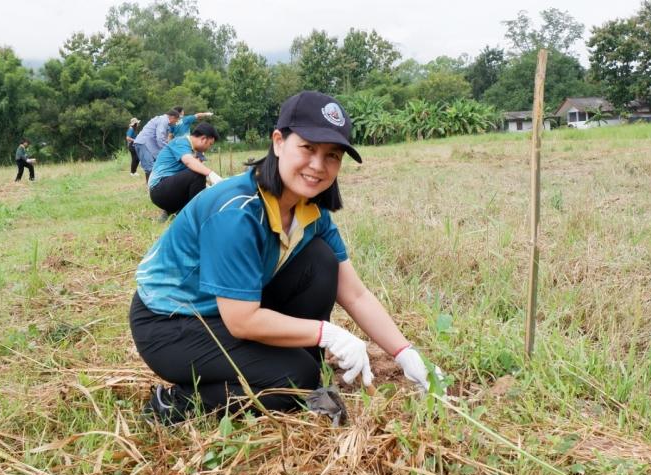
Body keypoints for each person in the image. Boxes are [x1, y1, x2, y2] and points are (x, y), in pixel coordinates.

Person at [130, 91, 442, 423]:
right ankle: (178, 403)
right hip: (171, 324)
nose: (318, 166)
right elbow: (242, 320)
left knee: (320, 261)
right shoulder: (237, 211)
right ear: (279, 142)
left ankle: (298, 367)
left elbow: (355, 293)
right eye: (307, 148)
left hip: (224, 314)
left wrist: (405, 354)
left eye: (332, 155)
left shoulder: (311, 213)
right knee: (294, 380)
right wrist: (328, 334)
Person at [147, 122, 221, 217]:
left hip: (170, 191)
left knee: (199, 178)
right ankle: (194, 215)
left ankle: (179, 213)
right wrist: (211, 174)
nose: (209, 148)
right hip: (158, 190)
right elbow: (188, 161)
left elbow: (196, 184)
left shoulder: (194, 151)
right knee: (197, 173)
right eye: (210, 144)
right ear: (203, 139)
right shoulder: (181, 142)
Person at [132, 110, 182, 183]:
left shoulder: (163, 120)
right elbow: (160, 138)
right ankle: (150, 187)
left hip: (147, 144)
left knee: (155, 164)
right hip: (144, 143)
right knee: (149, 166)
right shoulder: (163, 121)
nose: (175, 123)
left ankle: (155, 184)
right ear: (172, 117)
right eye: (176, 121)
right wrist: (169, 149)